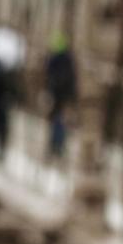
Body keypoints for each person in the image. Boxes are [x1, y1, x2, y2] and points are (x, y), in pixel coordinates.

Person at [43, 32, 77, 160]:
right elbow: (73, 79)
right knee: (59, 120)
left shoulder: (55, 60)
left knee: (57, 120)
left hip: (58, 94)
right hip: (63, 94)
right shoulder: (68, 60)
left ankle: (55, 145)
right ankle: (57, 145)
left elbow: (49, 77)